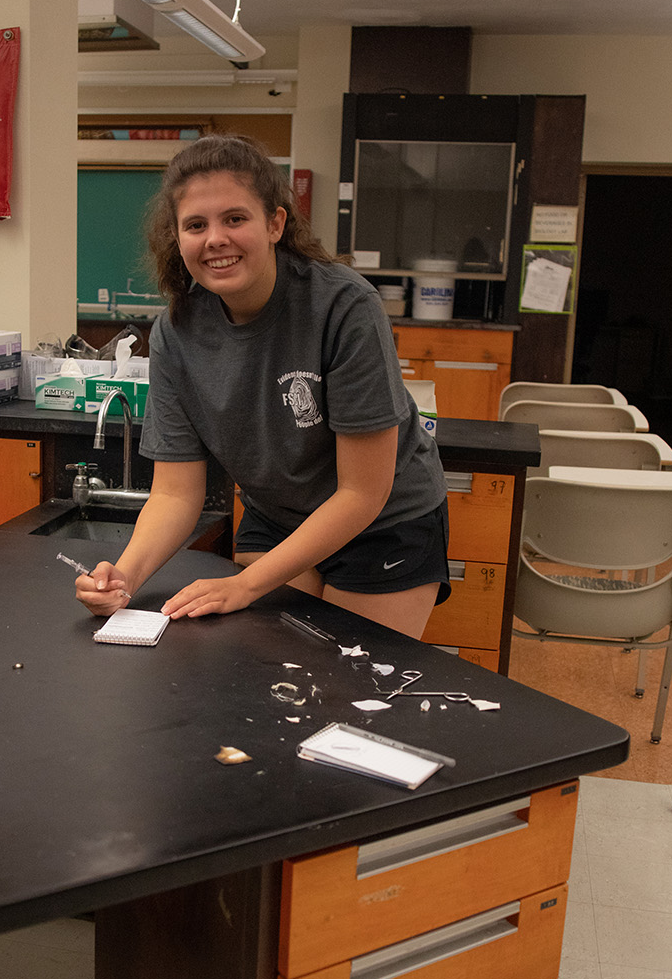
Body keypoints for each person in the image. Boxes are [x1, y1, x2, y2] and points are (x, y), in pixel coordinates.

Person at [75, 134, 451, 639]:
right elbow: (175, 494)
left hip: (383, 522)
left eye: (235, 218)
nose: (215, 239)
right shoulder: (175, 333)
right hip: (276, 516)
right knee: (266, 674)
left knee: (348, 685)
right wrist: (126, 576)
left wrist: (246, 585)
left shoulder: (343, 307)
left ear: (275, 223)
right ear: (177, 236)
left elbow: (363, 491)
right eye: (196, 225)